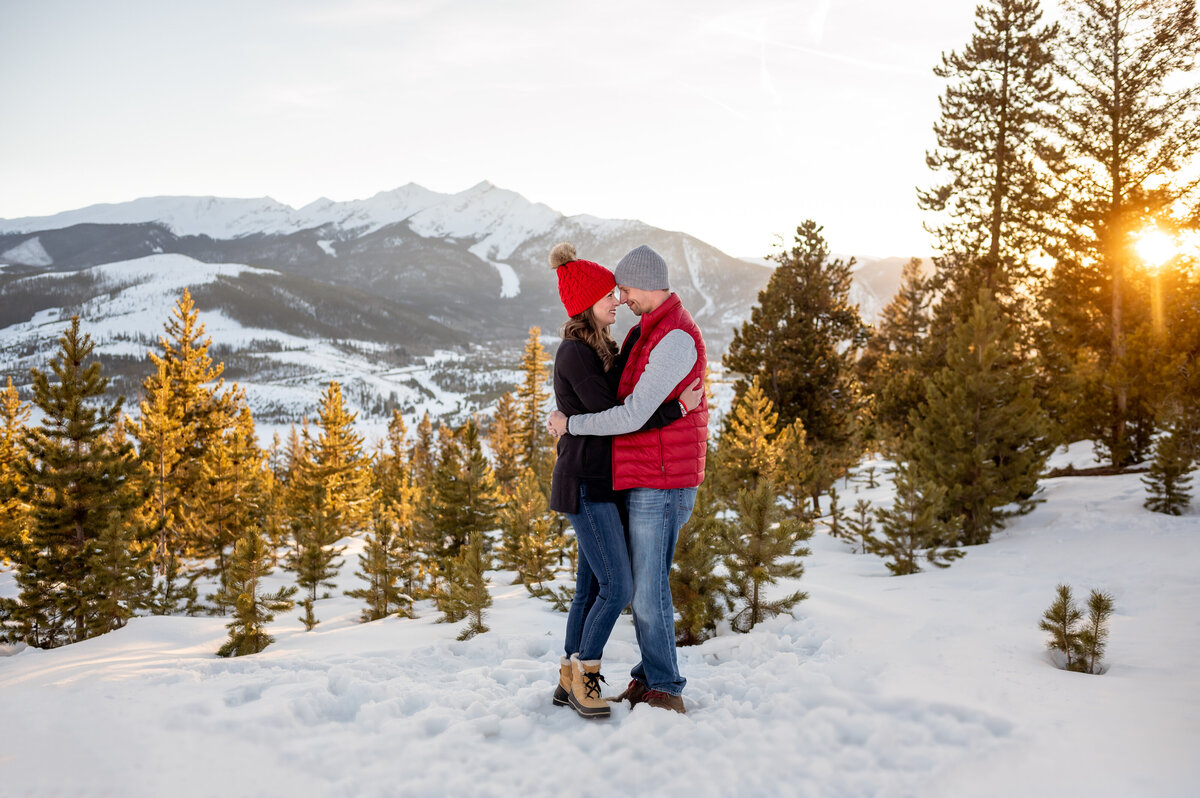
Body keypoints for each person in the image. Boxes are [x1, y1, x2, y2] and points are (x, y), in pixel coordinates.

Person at [549, 244, 708, 714]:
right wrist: (568, 420)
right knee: (619, 587)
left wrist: (570, 423)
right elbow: (607, 404)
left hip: (658, 478)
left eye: (624, 290)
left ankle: (660, 684)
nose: (620, 299)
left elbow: (631, 413)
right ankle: (629, 678)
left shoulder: (671, 335)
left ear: (645, 284)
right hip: (618, 479)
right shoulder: (641, 332)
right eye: (610, 293)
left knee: (640, 587)